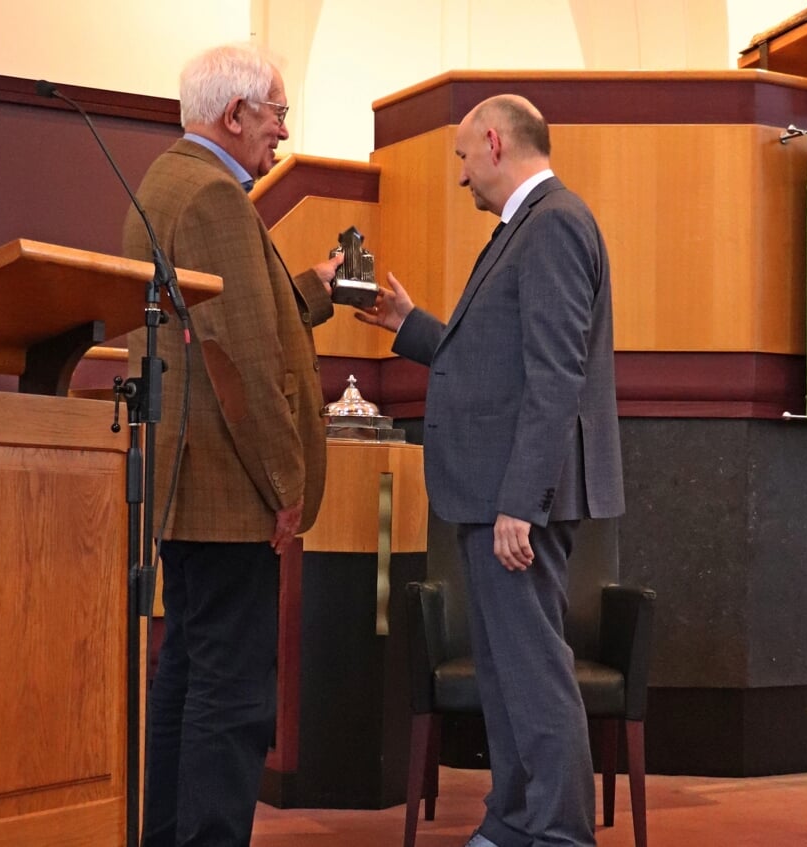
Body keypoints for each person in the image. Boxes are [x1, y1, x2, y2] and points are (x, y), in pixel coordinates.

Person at [356, 94, 625, 847]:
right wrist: (409, 325)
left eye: (462, 157)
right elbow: (494, 361)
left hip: (515, 499)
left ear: (493, 141)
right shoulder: (528, 229)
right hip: (494, 493)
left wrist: (521, 502)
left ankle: (558, 833)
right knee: (507, 678)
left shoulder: (555, 224)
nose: (460, 176)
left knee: (533, 676)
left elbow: (554, 377)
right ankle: (512, 820)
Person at [123, 43, 343, 847]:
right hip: (227, 487)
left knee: (188, 672)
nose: (283, 130)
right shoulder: (214, 195)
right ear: (235, 114)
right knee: (230, 693)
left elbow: (245, 315)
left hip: (190, 481)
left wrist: (312, 288)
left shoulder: (172, 179)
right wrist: (286, 483)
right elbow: (242, 358)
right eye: (278, 112)